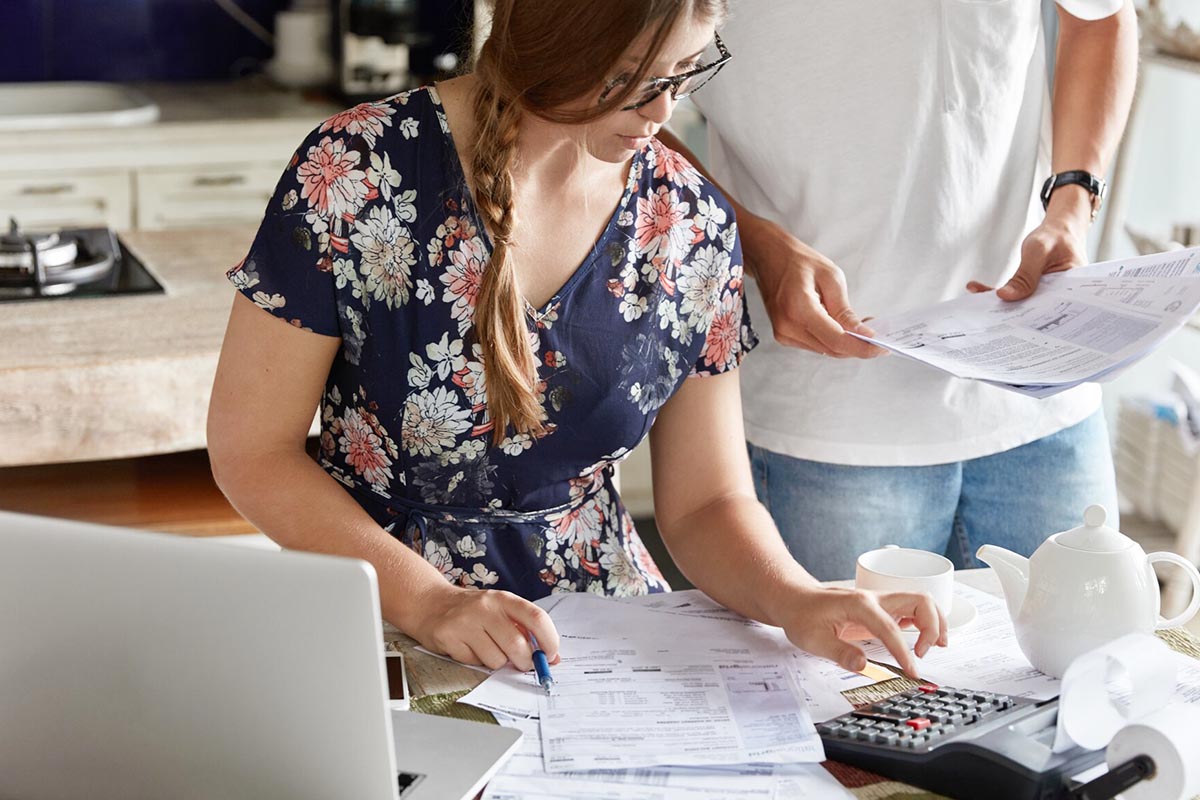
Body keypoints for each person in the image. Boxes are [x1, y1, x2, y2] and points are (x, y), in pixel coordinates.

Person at [207, 0, 945, 678]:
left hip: (602, 630)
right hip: (377, 612)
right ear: (551, 35)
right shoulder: (357, 169)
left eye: (683, 74)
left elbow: (706, 502)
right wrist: (430, 603)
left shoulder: (690, 223)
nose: (661, 111)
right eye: (627, 79)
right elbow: (253, 451)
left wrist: (797, 600)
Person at [659, 0, 1138, 580]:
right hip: (832, 419)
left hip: (1044, 398)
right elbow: (610, 96)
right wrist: (755, 244)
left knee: (1092, 667)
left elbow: (1101, 18)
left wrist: (1071, 204)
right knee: (863, 673)